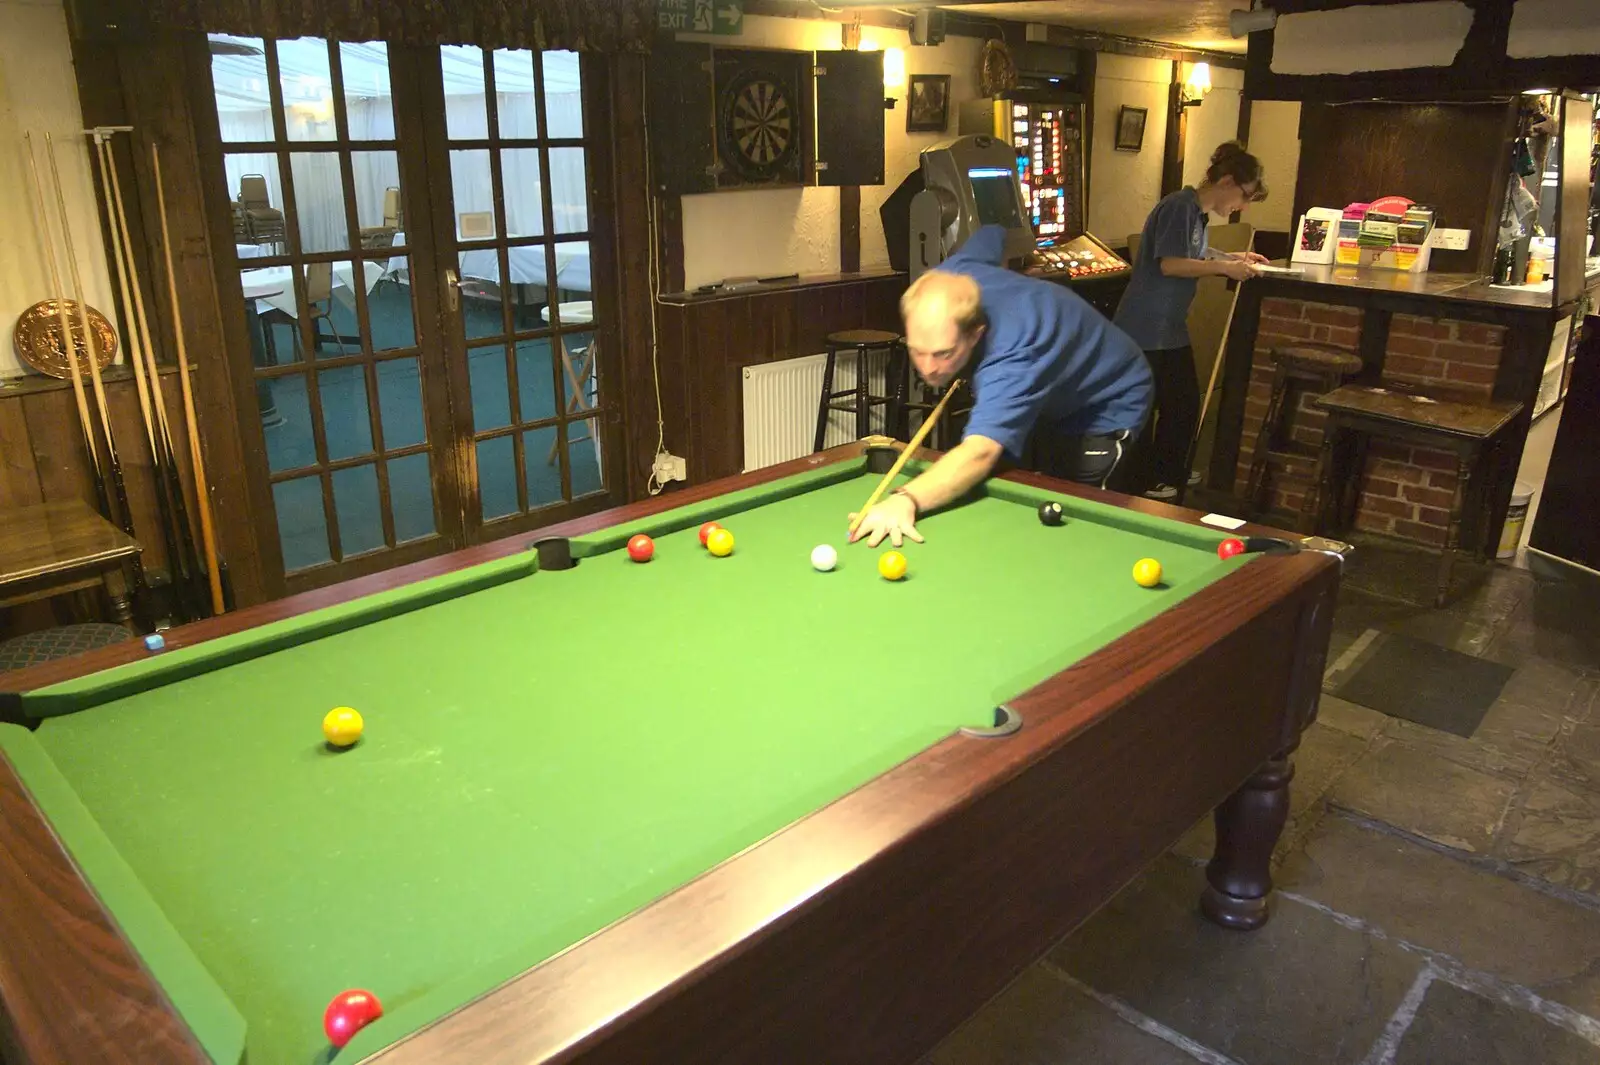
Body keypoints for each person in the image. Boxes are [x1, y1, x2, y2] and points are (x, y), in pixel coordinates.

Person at [848, 223, 1153, 548]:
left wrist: (905, 500)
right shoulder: (953, 274)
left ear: (976, 334)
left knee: (1079, 520)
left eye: (943, 353)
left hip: (1107, 402)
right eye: (917, 350)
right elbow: (994, 232)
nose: (928, 368)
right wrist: (1022, 266)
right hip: (1052, 398)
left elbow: (980, 452)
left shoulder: (1013, 355)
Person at [1112, 140, 1270, 502]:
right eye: (1244, 196)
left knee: (1181, 404)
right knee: (1165, 406)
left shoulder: (1195, 213)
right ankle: (1154, 480)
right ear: (1227, 181)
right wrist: (1223, 267)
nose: (1241, 206)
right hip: (1145, 328)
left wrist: (1231, 256)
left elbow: (1190, 252)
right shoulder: (1178, 207)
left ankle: (1167, 473)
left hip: (1167, 327)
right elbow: (1171, 264)